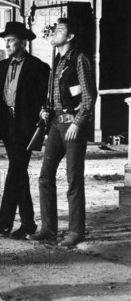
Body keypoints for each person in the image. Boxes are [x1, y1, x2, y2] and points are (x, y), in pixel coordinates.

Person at [30, 18, 96, 247]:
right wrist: (45, 110)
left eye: (60, 30)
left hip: (73, 126)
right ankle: (48, 229)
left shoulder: (80, 59)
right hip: (57, 124)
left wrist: (78, 123)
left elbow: (89, 97)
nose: (54, 33)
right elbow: (55, 96)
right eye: (54, 30)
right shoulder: (57, 61)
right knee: (45, 176)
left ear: (70, 37)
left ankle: (76, 232)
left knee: (73, 180)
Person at [0, 22, 50, 240]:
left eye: (11, 40)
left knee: (16, 170)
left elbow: (44, 100)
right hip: (7, 126)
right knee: (18, 173)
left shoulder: (39, 67)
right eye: (5, 40)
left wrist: (42, 125)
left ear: (23, 43)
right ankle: (26, 223)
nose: (6, 44)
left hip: (26, 128)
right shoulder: (3, 65)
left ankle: (9, 222)